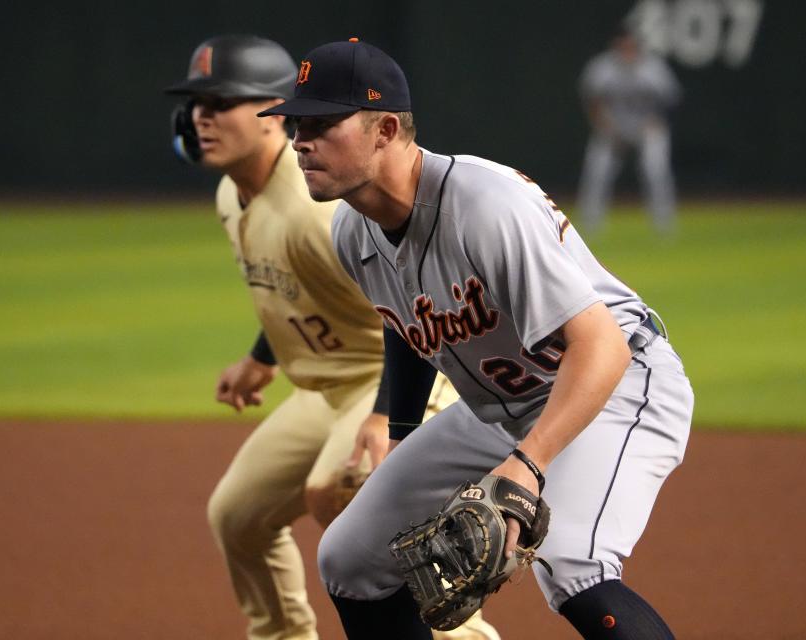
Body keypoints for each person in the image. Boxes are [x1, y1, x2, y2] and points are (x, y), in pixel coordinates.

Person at [259, 38, 694, 639]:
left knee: (572, 566)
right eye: (295, 123)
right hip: (501, 406)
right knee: (350, 559)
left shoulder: (484, 204)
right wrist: (402, 439)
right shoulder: (351, 232)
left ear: (386, 128)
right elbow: (407, 327)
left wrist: (529, 463)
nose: (299, 140)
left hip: (617, 383)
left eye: (322, 123)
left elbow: (602, 346)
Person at [164, 34, 499, 640]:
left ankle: (463, 637)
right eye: (195, 105)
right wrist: (260, 357)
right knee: (237, 516)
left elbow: (405, 312)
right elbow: (298, 289)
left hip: (396, 380)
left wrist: (382, 418)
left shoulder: (316, 210)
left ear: (272, 118)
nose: (199, 117)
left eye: (219, 103)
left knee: (336, 490)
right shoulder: (231, 195)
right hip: (324, 392)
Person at [577, 26, 682, 234]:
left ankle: (664, 224)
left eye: (631, 46)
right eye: (622, 46)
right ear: (615, 46)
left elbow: (671, 101)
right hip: (612, 128)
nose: (627, 50)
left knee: (655, 170)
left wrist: (655, 123)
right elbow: (592, 100)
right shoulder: (602, 67)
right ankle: (590, 224)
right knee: (597, 171)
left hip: (647, 128)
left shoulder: (653, 68)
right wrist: (604, 126)